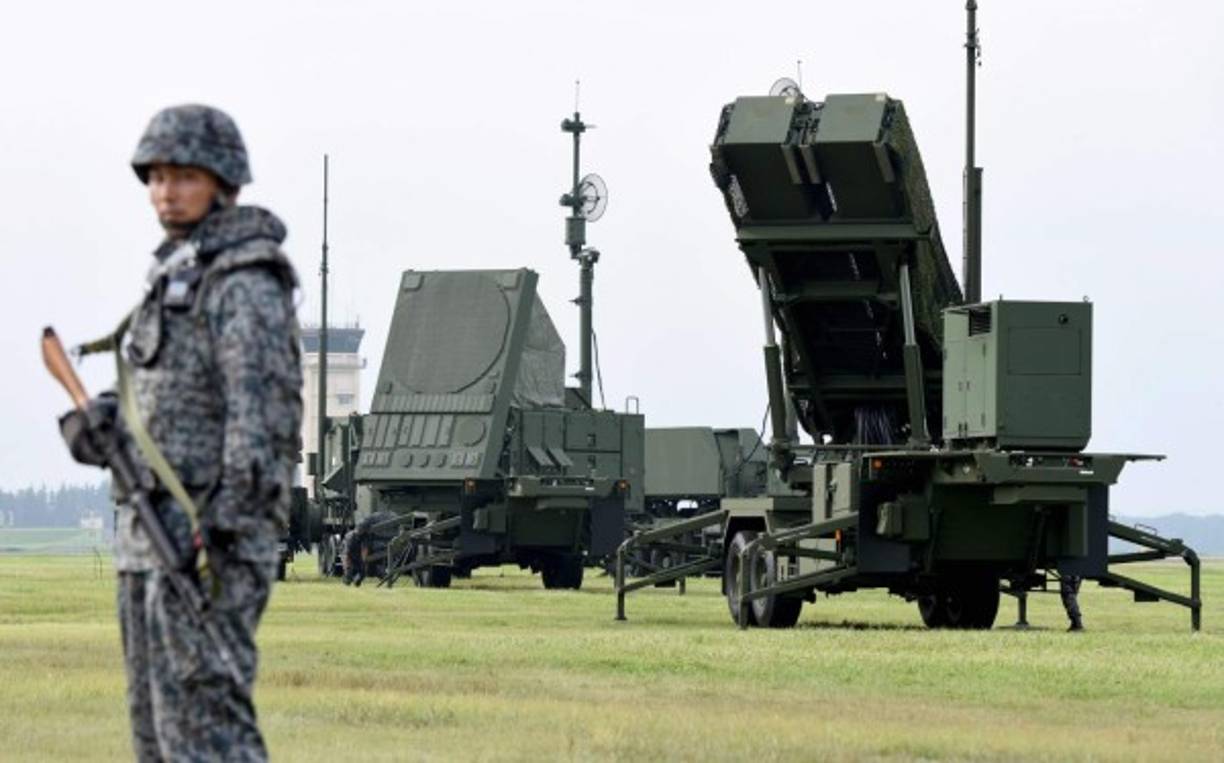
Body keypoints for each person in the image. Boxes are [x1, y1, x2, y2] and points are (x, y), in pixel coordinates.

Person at [59, 104, 302, 761]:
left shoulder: (245, 280)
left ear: (225, 181)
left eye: (184, 175)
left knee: (207, 730)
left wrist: (219, 530)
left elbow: (265, 416)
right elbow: (161, 390)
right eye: (157, 176)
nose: (166, 190)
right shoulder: (175, 275)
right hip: (148, 536)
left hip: (203, 544)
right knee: (157, 736)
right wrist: (102, 418)